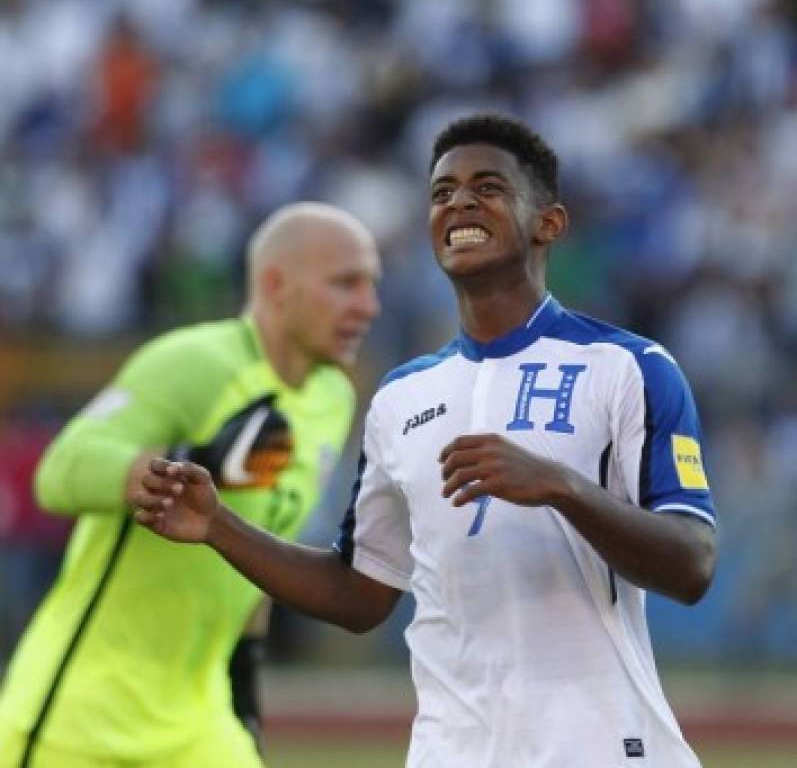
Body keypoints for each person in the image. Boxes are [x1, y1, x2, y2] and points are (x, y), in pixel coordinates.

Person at [133, 113, 717, 768]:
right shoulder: (400, 397)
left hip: (600, 748)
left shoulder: (629, 368)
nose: (459, 202)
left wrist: (561, 487)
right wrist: (219, 527)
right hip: (448, 752)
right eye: (442, 192)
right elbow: (360, 594)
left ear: (548, 223)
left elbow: (691, 564)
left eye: (488, 187)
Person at [0, 202, 381, 768]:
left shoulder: (333, 398)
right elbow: (60, 470)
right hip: (81, 718)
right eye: (345, 284)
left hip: (199, 721)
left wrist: (245, 683)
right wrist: (185, 466)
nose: (368, 306)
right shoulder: (196, 363)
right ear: (276, 285)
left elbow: (268, 538)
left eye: (372, 285)